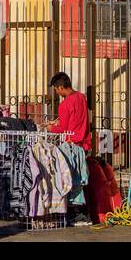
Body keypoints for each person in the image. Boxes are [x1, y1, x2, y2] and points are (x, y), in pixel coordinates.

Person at [45, 71, 93, 225]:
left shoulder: (65, 104)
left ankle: (76, 214)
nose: (56, 92)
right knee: (80, 180)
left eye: (56, 89)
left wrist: (50, 128)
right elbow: (75, 120)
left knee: (68, 180)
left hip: (70, 145)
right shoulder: (81, 98)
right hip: (82, 144)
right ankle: (84, 213)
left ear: (60, 87)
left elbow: (63, 128)